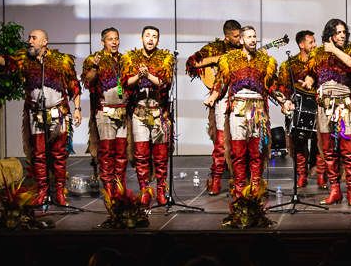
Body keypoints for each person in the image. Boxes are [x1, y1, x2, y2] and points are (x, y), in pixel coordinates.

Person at [0, 29, 82, 205]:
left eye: (33, 38)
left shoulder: (62, 61)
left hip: (58, 115)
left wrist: (77, 108)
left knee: (59, 156)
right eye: (29, 38)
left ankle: (60, 193)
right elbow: (7, 62)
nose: (29, 41)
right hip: (35, 115)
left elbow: (74, 86)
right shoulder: (25, 60)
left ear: (44, 42)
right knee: (38, 155)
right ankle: (42, 192)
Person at [205, 26, 291, 198]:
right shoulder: (230, 59)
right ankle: (239, 190)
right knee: (238, 153)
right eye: (249, 37)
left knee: (257, 152)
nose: (253, 40)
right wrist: (213, 96)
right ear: (242, 40)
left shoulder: (265, 61)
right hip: (238, 108)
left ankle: (255, 188)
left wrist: (284, 100)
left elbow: (271, 85)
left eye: (255, 36)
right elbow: (221, 82)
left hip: (258, 110)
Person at [301, 19, 351, 205]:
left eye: (344, 32)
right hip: (324, 105)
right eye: (338, 32)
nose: (342, 35)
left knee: (349, 150)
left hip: (344, 106)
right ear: (330, 35)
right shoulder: (318, 54)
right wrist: (309, 81)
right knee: (327, 150)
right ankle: (335, 190)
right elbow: (312, 72)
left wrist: (334, 50)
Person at [185, 20, 243, 196]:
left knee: (238, 143)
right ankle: (216, 180)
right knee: (220, 143)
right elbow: (192, 63)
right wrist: (217, 60)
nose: (239, 39)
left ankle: (239, 181)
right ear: (226, 36)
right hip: (220, 98)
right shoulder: (215, 48)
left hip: (239, 98)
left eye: (241, 35)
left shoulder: (243, 50)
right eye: (235, 36)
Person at [121, 26, 175, 207]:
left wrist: (148, 75)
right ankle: (144, 190)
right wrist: (139, 75)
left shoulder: (166, 58)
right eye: (148, 36)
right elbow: (126, 82)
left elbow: (165, 83)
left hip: (158, 112)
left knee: (160, 156)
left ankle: (161, 189)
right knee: (141, 154)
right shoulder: (131, 57)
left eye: (154, 36)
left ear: (158, 40)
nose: (151, 39)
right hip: (139, 112)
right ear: (141, 38)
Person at [81, 27, 127, 198]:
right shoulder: (94, 60)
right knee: (107, 152)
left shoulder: (124, 60)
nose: (114, 42)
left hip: (122, 112)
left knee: (121, 153)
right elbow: (87, 81)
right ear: (103, 42)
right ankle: (109, 189)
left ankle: (120, 188)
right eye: (110, 39)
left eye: (116, 38)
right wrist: (95, 66)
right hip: (104, 112)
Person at [278, 30, 325, 189]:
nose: (314, 45)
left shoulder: (320, 62)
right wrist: (285, 103)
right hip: (298, 107)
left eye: (314, 41)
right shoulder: (289, 65)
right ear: (301, 44)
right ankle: (301, 175)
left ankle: (320, 175)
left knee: (320, 142)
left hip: (318, 105)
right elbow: (283, 87)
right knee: (299, 143)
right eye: (311, 42)